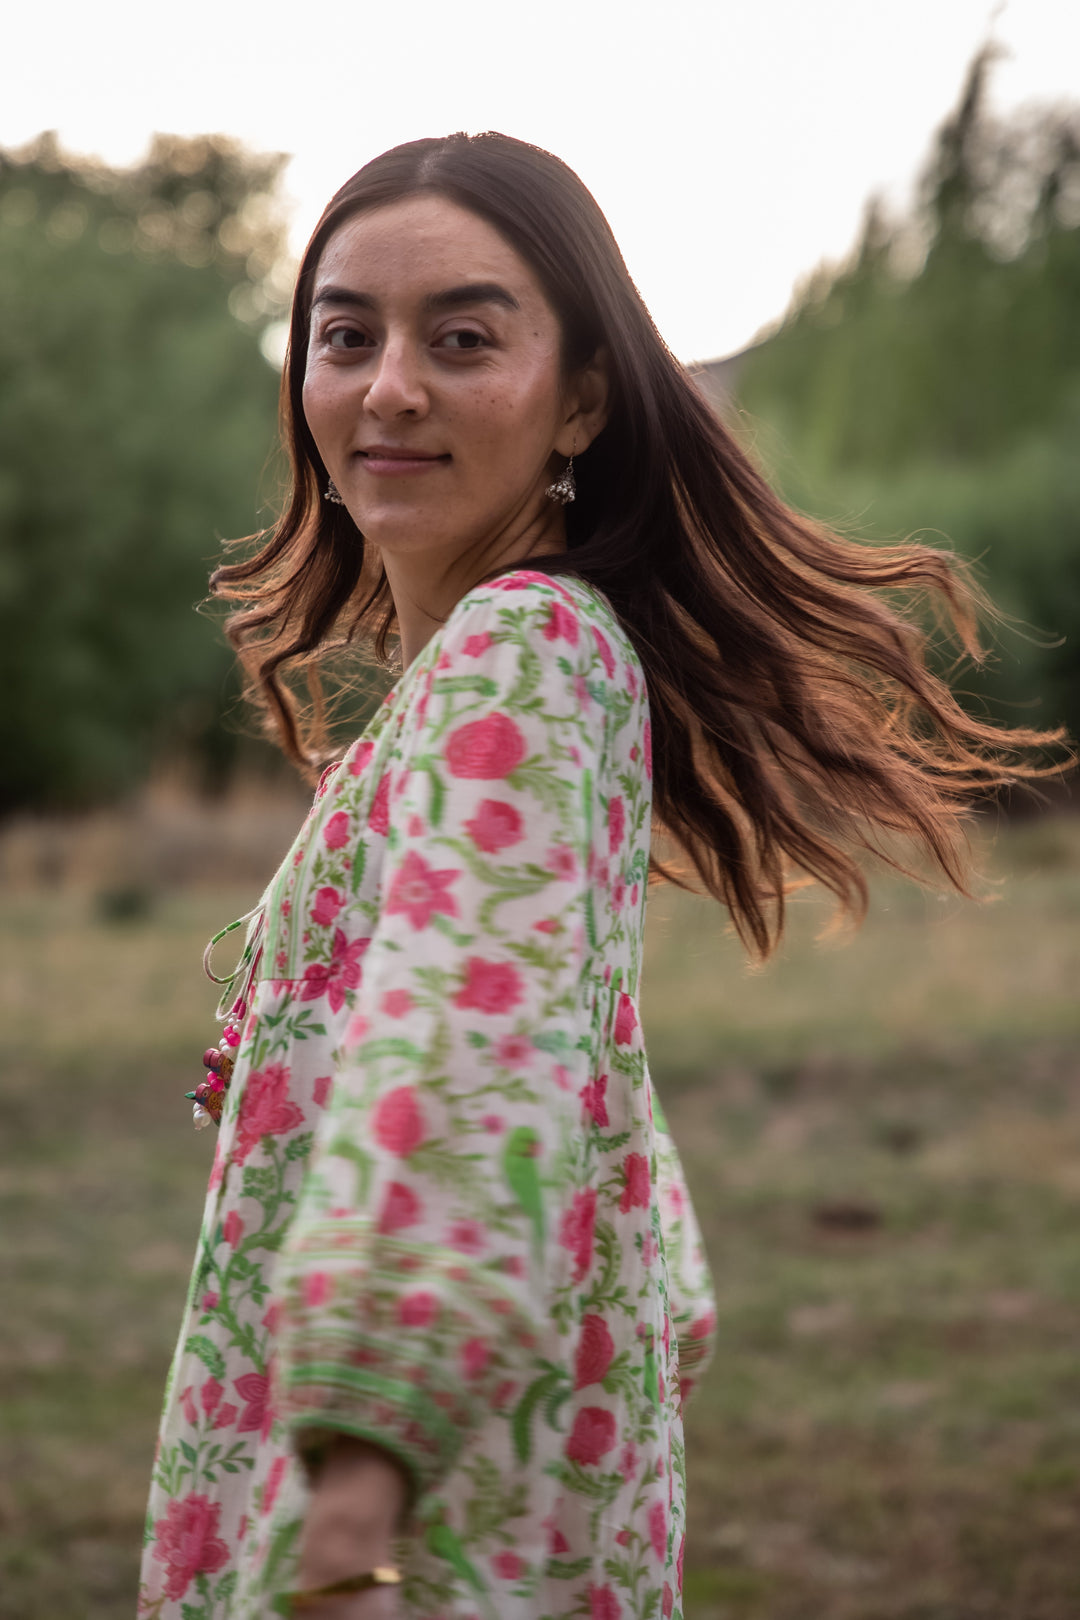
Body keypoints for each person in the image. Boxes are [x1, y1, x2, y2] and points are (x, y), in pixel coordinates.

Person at [138, 132, 1068, 1620]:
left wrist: (359, 1501)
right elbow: (563, 1063)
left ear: (580, 399)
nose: (389, 387)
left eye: (461, 339)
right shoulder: (493, 677)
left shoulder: (525, 654)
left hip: (413, 1533)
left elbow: (458, 1060)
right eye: (345, 337)